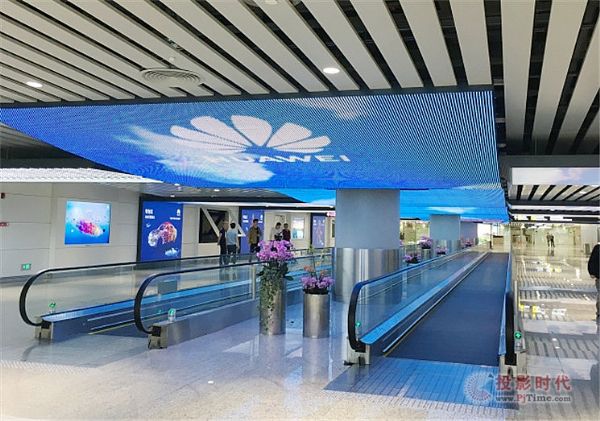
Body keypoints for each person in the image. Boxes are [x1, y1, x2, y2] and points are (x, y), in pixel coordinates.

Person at [587, 244, 599, 323]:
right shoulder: (597, 248)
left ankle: (599, 312)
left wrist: (592, 272)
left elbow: (591, 261)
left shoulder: (597, 248)